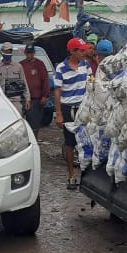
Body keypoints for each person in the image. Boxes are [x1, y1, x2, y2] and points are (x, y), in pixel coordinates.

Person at [54, 37, 90, 190]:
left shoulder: (86, 65)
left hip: (84, 107)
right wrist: (59, 113)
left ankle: (87, 176)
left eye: (84, 50)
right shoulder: (61, 68)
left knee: (87, 141)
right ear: (72, 51)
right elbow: (57, 91)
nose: (84, 53)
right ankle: (71, 176)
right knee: (70, 143)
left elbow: (91, 85)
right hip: (68, 108)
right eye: (81, 51)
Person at [0, 42, 30, 115]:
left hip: (16, 101)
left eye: (10, 51)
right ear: (2, 52)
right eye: (6, 51)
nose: (8, 53)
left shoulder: (18, 66)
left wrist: (27, 99)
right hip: (2, 101)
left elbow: (24, 82)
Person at [19, 44, 50, 134]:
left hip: (36, 99)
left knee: (34, 125)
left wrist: (45, 95)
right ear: (25, 53)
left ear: (34, 53)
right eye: (28, 53)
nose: (29, 55)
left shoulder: (40, 64)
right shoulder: (21, 64)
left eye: (31, 53)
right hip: (22, 99)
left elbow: (45, 80)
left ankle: (35, 141)